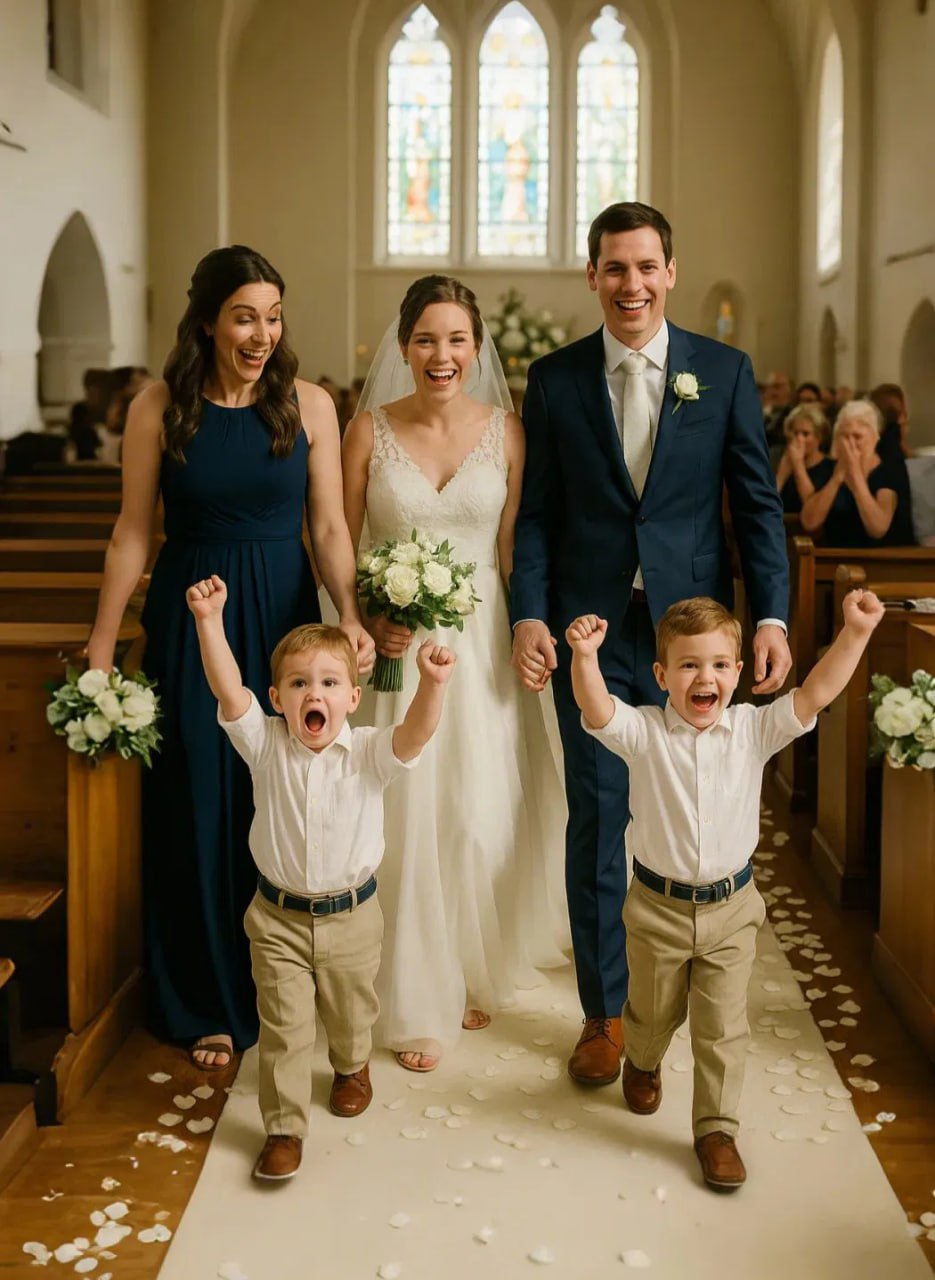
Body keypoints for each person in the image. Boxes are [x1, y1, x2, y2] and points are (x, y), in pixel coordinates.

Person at [510, 201, 791, 1087]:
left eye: (644, 267)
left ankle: (681, 1001)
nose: (629, 284)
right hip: (590, 634)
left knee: (691, 813)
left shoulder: (722, 371)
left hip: (693, 639)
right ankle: (605, 1013)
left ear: (669, 272)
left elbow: (756, 506)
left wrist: (772, 616)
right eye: (613, 268)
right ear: (592, 276)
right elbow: (537, 515)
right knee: (597, 816)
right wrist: (528, 614)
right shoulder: (553, 379)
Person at [86, 245, 374, 1071]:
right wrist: (102, 648)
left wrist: (348, 613)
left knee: (278, 797)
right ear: (208, 321)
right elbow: (132, 533)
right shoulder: (158, 406)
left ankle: (285, 987)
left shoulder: (308, 404)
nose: (262, 334)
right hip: (191, 620)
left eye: (273, 317)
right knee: (195, 800)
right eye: (245, 317)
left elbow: (328, 527)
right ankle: (206, 998)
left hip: (283, 620)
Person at [565, 589, 884, 1189]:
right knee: (650, 1014)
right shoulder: (645, 732)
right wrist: (585, 656)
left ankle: (716, 1129)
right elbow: (598, 708)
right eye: (688, 665)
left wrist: (857, 633)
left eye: (717, 665)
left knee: (723, 1027)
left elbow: (815, 693)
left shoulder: (752, 730)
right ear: (662, 675)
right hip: (657, 909)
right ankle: (643, 1059)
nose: (704, 678)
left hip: (732, 911)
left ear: (737, 673)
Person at [342, 274, 569, 1072]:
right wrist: (368, 618)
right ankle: (411, 982)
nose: (441, 355)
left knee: (480, 810)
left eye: (456, 340)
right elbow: (336, 539)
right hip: (396, 650)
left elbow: (514, 548)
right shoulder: (367, 430)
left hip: (481, 641)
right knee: (403, 813)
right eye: (426, 340)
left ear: (476, 349)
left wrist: (531, 627)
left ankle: (473, 963)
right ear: (403, 347)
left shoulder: (506, 431)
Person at [186, 576, 453, 1181]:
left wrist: (432, 684)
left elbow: (415, 735)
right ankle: (284, 1129)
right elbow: (228, 689)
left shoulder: (369, 752)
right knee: (284, 1028)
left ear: (353, 698)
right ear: (278, 698)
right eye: (300, 683)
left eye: (330, 683)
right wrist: (209, 620)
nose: (315, 693)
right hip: (277, 918)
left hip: (352, 917)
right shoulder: (265, 744)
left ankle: (352, 1064)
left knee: (351, 1011)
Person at [800, 398, 915, 546]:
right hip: (835, 555)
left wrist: (856, 477)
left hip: (885, 556)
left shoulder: (890, 470)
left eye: (857, 436)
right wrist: (837, 478)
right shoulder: (828, 468)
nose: (850, 444)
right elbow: (809, 522)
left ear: (875, 438)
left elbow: (878, 528)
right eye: (844, 436)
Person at [773, 403, 834, 513]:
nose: (799, 439)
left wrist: (798, 466)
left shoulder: (831, 469)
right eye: (795, 433)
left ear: (819, 437)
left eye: (805, 434)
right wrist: (781, 477)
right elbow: (764, 507)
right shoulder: (779, 463)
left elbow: (813, 510)